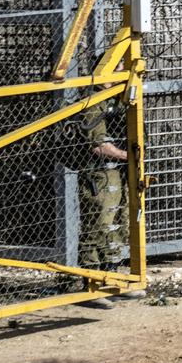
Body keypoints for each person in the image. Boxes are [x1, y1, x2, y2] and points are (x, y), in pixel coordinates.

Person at [76, 97, 128, 271]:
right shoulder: (94, 102)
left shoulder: (119, 98)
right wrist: (129, 155)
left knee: (119, 223)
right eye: (119, 67)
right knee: (98, 224)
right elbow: (98, 146)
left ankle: (111, 272)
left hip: (120, 171)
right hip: (100, 173)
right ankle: (91, 279)